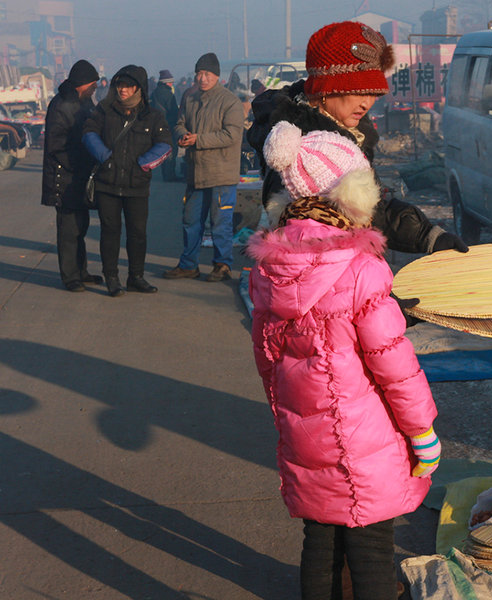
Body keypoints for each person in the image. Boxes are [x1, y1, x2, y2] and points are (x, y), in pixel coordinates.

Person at [248, 121, 440, 599]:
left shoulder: (270, 268)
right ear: (351, 193)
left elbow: (267, 358)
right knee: (373, 548)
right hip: (365, 440)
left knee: (321, 542)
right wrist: (422, 432)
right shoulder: (361, 268)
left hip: (306, 434)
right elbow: (395, 368)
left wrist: (290, 419)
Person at [247, 20, 467, 257]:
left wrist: (429, 236)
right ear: (325, 88)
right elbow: (323, 247)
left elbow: (373, 206)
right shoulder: (303, 153)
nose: (367, 102)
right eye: (359, 91)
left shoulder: (348, 132)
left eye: (373, 92)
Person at [82, 65, 172, 297]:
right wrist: (104, 156)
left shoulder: (153, 115)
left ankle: (136, 277)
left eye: (129, 85)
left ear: (139, 88)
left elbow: (164, 144)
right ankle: (111, 277)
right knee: (110, 231)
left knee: (137, 233)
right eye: (120, 84)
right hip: (107, 184)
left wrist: (143, 164)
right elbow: (89, 133)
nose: (123, 89)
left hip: (137, 185)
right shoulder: (104, 110)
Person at [164, 52, 244, 282]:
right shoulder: (190, 99)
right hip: (195, 172)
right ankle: (188, 264)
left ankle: (223, 265)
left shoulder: (230, 101)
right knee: (190, 221)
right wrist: (182, 135)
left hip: (221, 174)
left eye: (207, 73)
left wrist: (199, 139)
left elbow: (232, 135)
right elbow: (179, 123)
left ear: (217, 76)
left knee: (220, 223)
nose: (202, 78)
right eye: (199, 73)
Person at [41, 59, 103, 292]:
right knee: (68, 231)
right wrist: (80, 164)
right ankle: (70, 277)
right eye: (93, 85)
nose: (95, 88)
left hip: (79, 176)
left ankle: (82, 271)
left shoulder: (84, 102)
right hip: (64, 178)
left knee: (80, 226)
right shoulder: (61, 105)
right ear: (81, 83)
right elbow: (56, 146)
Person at [150, 69, 179, 182]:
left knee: (162, 151)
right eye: (171, 81)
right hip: (168, 125)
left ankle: (165, 174)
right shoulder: (168, 94)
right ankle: (170, 175)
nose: (172, 83)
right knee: (171, 152)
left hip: (157, 126)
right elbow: (173, 110)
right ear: (166, 82)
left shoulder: (155, 92)